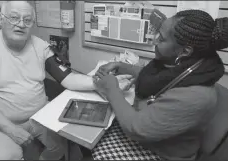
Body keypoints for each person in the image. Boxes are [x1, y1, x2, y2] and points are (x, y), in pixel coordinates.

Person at [0, 1, 131, 160]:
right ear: (2, 20)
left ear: (32, 23)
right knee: (2, 158)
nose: (21, 24)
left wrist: (102, 84)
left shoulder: (40, 46)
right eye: (14, 18)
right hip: (1, 122)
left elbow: (67, 78)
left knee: (65, 145)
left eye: (27, 20)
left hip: (39, 114)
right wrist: (12, 130)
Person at [93, 10, 228, 160]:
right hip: (152, 138)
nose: (154, 41)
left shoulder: (196, 96)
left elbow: (136, 128)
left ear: (185, 51)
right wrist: (123, 67)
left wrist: (112, 89)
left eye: (162, 39)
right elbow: (165, 78)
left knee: (95, 148)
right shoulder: (191, 63)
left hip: (161, 153)